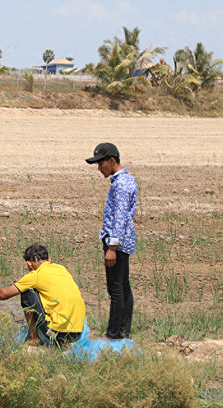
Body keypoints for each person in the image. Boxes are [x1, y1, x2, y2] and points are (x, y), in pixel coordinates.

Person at [0, 245, 85, 346]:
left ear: (29, 264)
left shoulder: (35, 275)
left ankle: (34, 338)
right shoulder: (62, 269)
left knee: (27, 293)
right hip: (76, 332)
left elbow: (4, 294)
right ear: (49, 259)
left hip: (58, 334)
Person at [86, 142, 138, 340]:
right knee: (123, 286)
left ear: (112, 161)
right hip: (121, 242)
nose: (99, 168)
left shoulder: (122, 185)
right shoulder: (124, 181)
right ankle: (124, 331)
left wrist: (112, 248)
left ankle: (113, 334)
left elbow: (120, 218)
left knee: (115, 288)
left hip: (117, 243)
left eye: (101, 164)